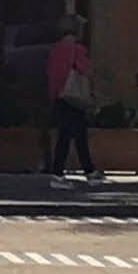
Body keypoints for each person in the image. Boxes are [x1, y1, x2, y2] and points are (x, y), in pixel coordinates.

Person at [45, 16, 96, 182]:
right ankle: (64, 172)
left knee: (65, 136)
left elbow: (52, 76)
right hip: (74, 98)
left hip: (61, 97)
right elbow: (86, 71)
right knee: (78, 136)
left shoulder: (55, 50)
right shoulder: (78, 50)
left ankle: (71, 171)